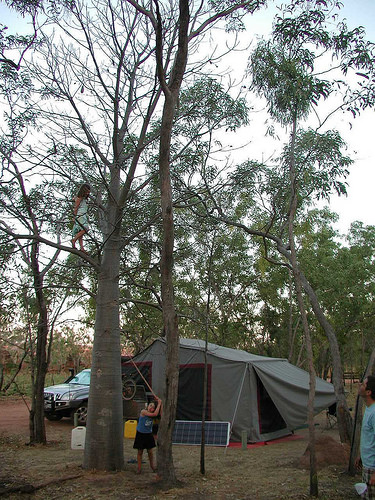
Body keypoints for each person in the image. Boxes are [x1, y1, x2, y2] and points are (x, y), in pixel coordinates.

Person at [356, 375, 375, 499]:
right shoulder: (368, 409)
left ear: (368, 392)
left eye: (362, 384)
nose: (359, 385)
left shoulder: (374, 413)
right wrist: (360, 455)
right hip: (367, 464)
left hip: (372, 468)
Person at [133, 396, 162, 474]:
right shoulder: (143, 412)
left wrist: (160, 403)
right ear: (147, 406)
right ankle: (139, 468)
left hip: (148, 434)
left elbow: (159, 413)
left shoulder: (154, 414)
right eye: (150, 406)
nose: (151, 408)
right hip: (140, 434)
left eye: (153, 407)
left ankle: (152, 466)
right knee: (140, 452)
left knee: (150, 452)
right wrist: (159, 403)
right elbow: (155, 414)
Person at [71, 183, 90, 252]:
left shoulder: (82, 198)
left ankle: (81, 248)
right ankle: (74, 240)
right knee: (86, 228)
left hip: (83, 215)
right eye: (87, 191)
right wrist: (74, 216)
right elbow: (76, 207)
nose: (88, 193)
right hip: (80, 215)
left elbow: (75, 199)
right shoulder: (79, 198)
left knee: (80, 232)